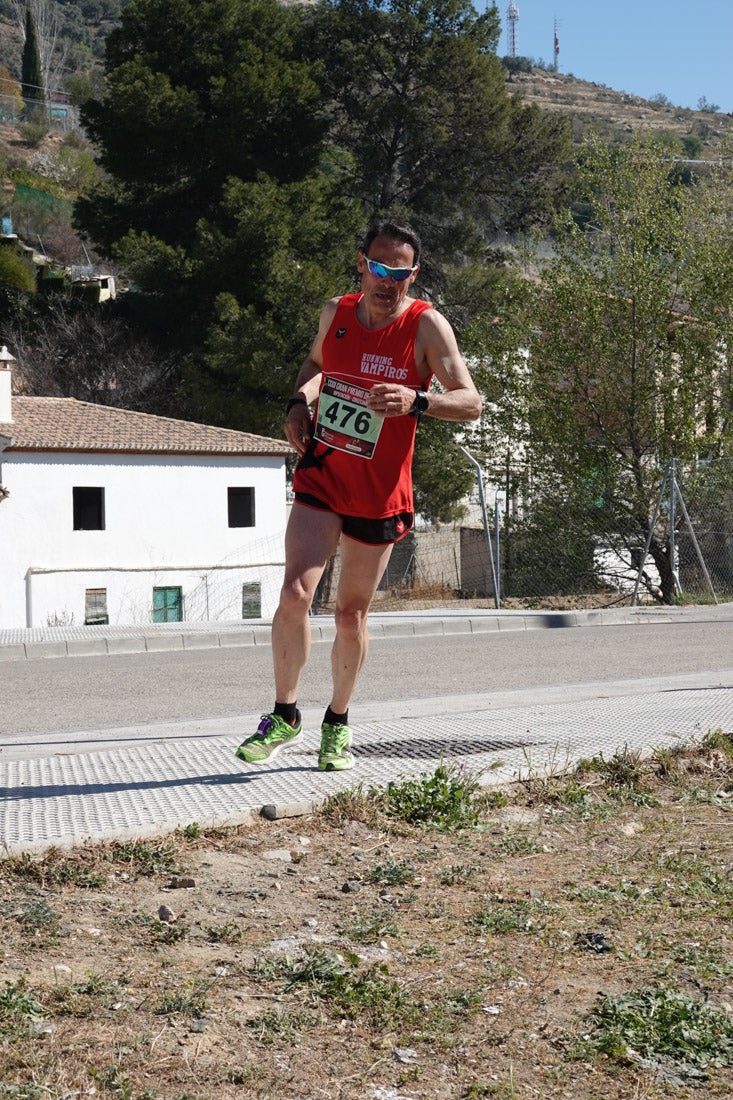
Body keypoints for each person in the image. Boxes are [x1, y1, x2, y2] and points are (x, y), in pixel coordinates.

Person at [235, 221, 482, 771]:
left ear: (412, 276)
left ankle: (337, 722)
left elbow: (470, 401)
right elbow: (316, 367)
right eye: (378, 267)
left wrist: (416, 401)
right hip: (322, 475)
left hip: (377, 493)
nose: (386, 281)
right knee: (295, 593)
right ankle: (283, 713)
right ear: (361, 264)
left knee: (351, 615)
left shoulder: (426, 328)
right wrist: (299, 404)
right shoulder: (336, 313)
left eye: (399, 272)